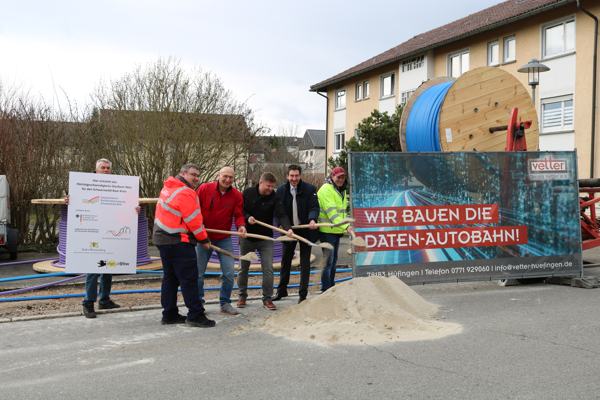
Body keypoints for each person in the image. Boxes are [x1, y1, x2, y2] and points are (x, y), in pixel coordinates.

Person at [153, 163, 215, 328]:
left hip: (162, 239)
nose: (196, 178)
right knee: (189, 279)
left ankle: (169, 314)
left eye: (197, 175)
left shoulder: (168, 187)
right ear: (183, 174)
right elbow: (194, 221)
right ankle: (195, 315)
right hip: (177, 241)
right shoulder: (186, 192)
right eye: (193, 174)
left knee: (170, 278)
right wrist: (204, 240)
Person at [237, 172, 293, 311]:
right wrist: (248, 217)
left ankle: (267, 298)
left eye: (273, 187)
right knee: (243, 268)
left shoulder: (275, 197)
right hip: (247, 237)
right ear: (261, 182)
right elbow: (240, 210)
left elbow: (281, 214)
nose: (270, 189)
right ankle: (242, 295)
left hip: (265, 239)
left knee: (268, 269)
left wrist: (288, 228)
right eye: (268, 186)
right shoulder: (248, 193)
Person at [196, 166, 246, 315]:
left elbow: (238, 215)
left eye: (231, 177)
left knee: (229, 273)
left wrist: (241, 226)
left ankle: (225, 303)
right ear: (219, 175)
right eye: (225, 176)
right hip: (203, 237)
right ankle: (198, 303)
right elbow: (194, 208)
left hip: (224, 239)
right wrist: (198, 225)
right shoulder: (205, 189)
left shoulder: (237, 195)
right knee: (198, 273)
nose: (227, 180)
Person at [80, 158, 121, 318]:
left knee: (108, 267)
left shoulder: (117, 186)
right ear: (96, 170)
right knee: (93, 268)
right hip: (93, 232)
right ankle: (88, 302)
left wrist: (135, 209)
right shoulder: (85, 184)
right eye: (102, 168)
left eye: (108, 168)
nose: (105, 170)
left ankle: (104, 299)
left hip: (110, 231)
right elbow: (78, 200)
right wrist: (69, 200)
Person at [274, 165, 319, 303]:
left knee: (305, 263)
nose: (294, 179)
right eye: (291, 176)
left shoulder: (309, 189)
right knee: (286, 261)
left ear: (300, 176)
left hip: (306, 229)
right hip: (289, 230)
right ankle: (282, 291)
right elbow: (279, 212)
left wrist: (312, 218)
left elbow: (314, 207)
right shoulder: (281, 191)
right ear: (287, 176)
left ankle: (303, 294)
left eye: (296, 176)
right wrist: (285, 227)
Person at [317, 166, 354, 292]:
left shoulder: (340, 190)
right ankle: (326, 289)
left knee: (333, 263)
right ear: (332, 177)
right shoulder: (326, 190)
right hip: (327, 231)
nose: (341, 180)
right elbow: (333, 214)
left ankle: (331, 287)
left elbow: (342, 212)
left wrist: (345, 224)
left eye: (343, 177)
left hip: (336, 231)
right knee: (328, 263)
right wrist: (347, 226)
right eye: (338, 177)